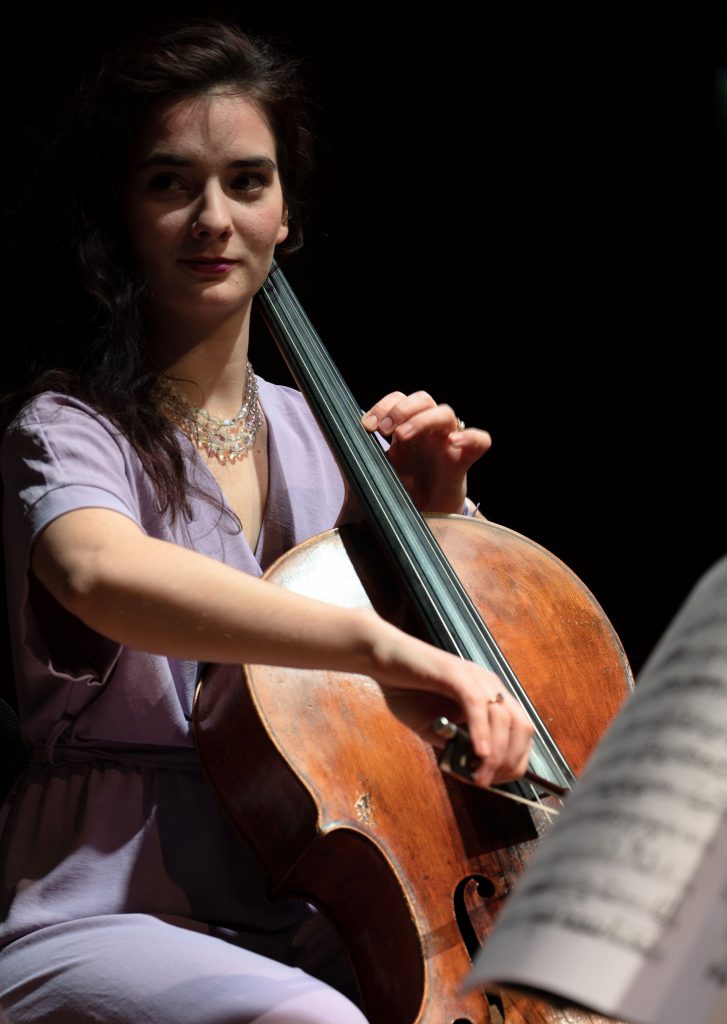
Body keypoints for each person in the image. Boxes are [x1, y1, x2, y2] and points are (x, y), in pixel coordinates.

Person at [0, 18, 534, 1024]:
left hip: (331, 896)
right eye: (170, 184)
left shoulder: (329, 438)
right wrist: (378, 645)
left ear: (286, 212)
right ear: (120, 209)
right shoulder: (68, 428)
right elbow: (100, 573)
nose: (213, 217)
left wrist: (430, 525)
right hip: (109, 903)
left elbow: (468, 692)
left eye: (247, 181)